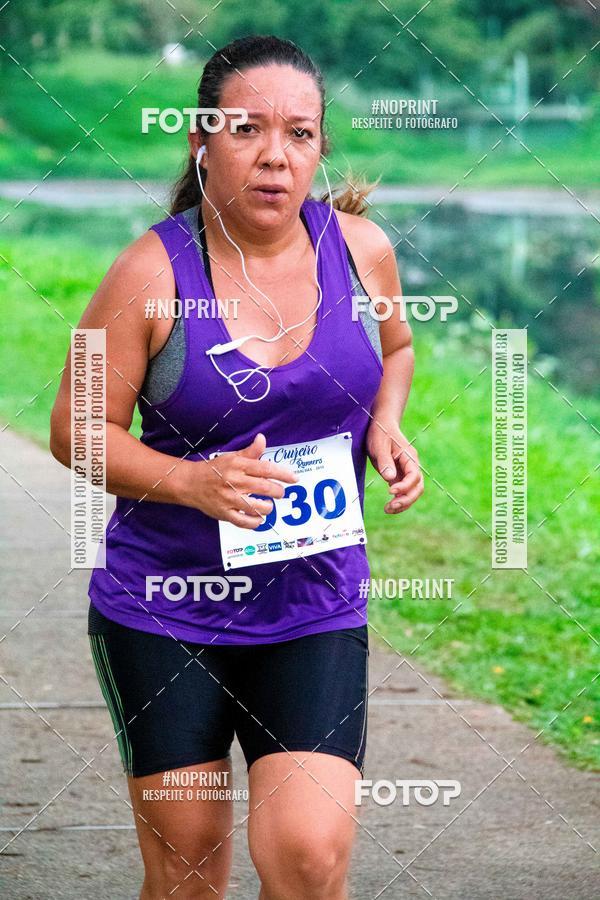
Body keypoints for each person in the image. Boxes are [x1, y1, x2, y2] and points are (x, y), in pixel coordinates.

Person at [50, 33, 423, 900]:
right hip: (165, 609)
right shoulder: (150, 271)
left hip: (312, 603)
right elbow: (77, 426)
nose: (275, 155)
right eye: (247, 129)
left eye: (300, 133)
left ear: (319, 149)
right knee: (187, 873)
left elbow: (398, 348)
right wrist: (192, 482)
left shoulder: (362, 251)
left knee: (307, 857)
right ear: (200, 142)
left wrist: (386, 424)